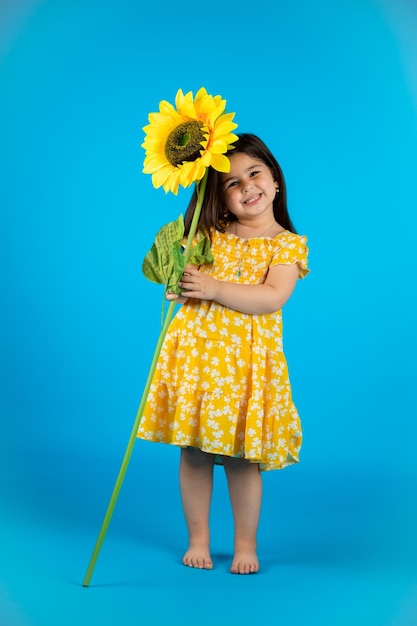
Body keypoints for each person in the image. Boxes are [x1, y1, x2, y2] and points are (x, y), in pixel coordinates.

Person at [137, 133, 309, 574]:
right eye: (231, 183)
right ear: (220, 197)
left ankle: (245, 544)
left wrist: (213, 288)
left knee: (239, 457)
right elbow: (186, 281)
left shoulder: (285, 244)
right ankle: (198, 537)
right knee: (193, 452)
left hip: (243, 368)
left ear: (274, 180)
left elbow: (272, 297)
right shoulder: (208, 235)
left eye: (254, 173)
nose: (246, 186)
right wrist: (180, 281)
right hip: (197, 362)